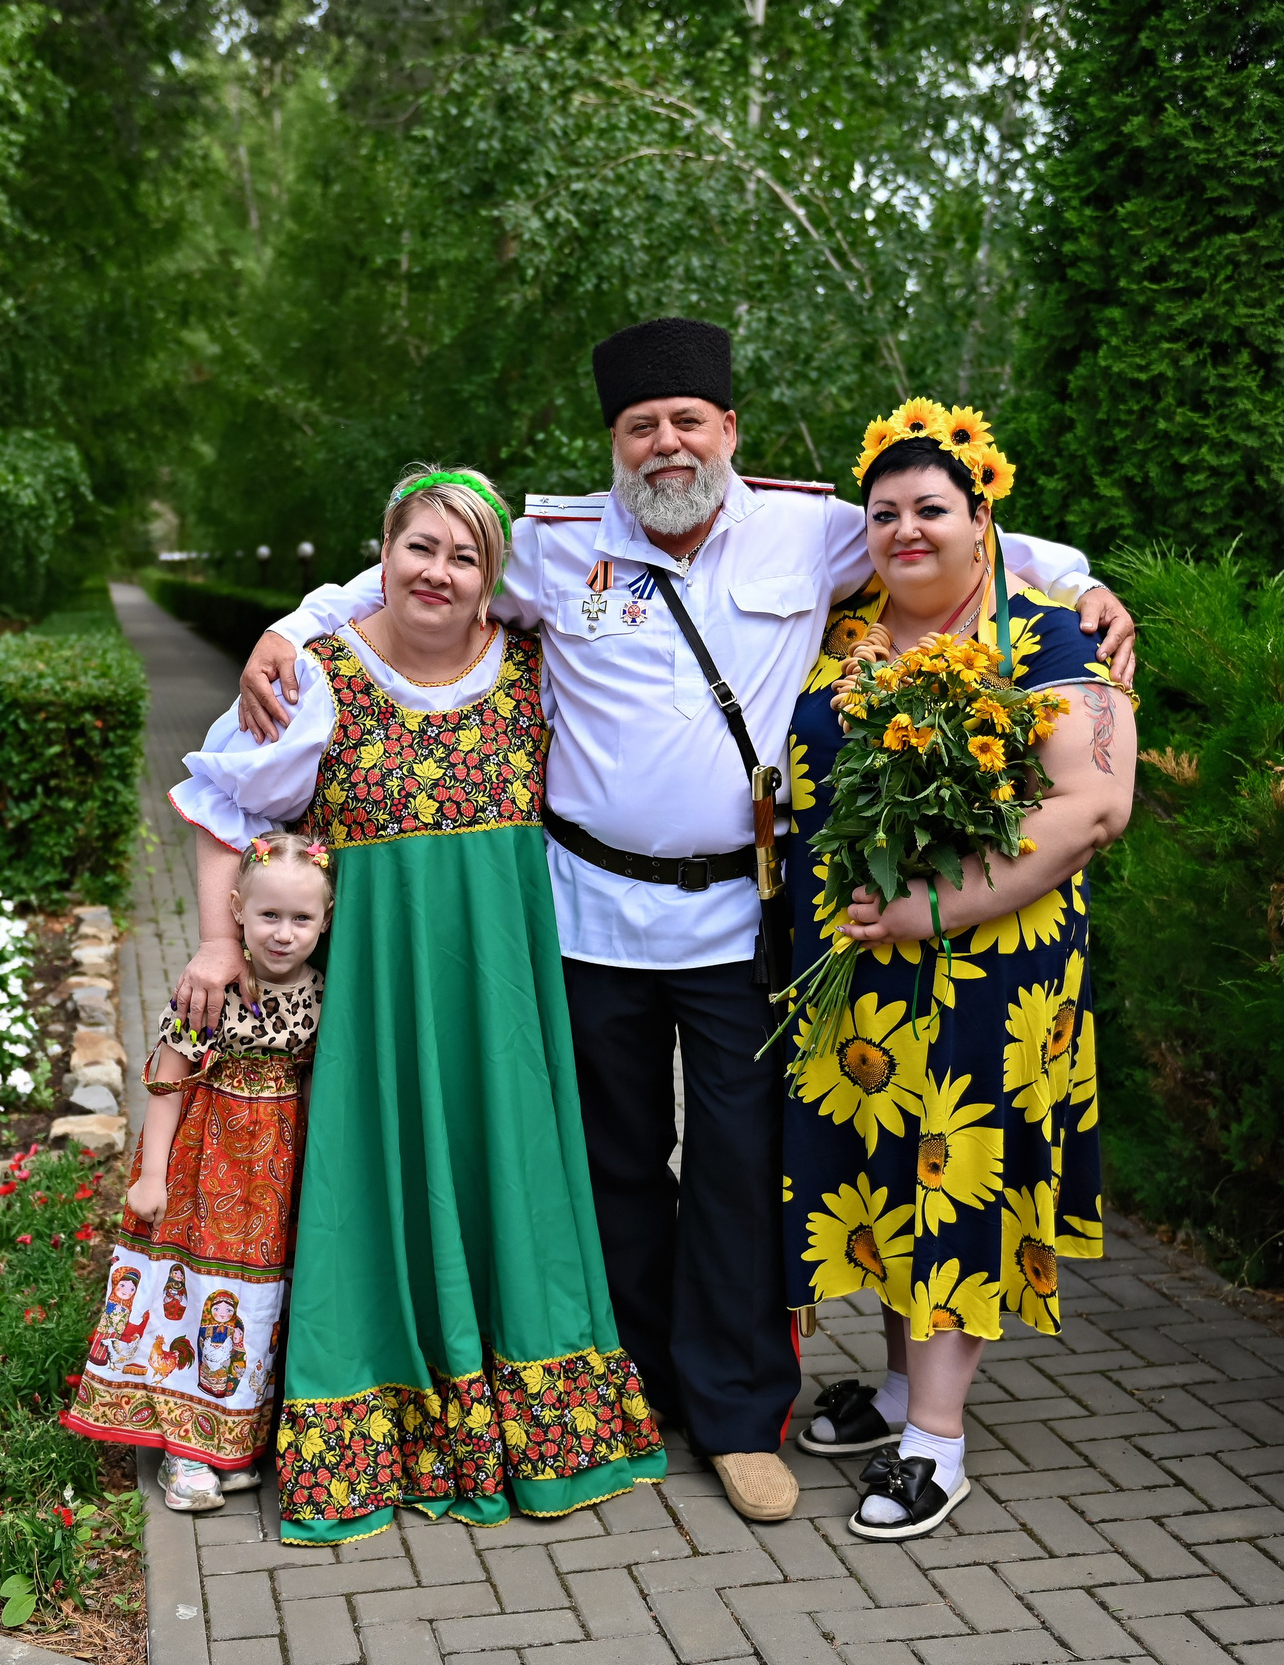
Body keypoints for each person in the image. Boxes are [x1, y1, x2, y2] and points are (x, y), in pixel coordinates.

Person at [227, 318, 1139, 1522]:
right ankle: (634, 1382)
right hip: (586, 912)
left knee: (738, 1167)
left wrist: (1081, 581)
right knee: (608, 1165)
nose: (664, 444)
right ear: (613, 442)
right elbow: (413, 560)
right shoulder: (553, 543)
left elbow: (963, 527)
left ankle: (736, 1412)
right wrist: (290, 627)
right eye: (638, 426)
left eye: (685, 422)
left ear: (729, 433)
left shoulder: (808, 529)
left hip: (740, 914)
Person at [167, 466, 667, 1546]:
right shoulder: (318, 677)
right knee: (370, 1189)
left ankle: (528, 1407)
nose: (438, 572)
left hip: (503, 993)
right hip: (378, 1004)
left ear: (494, 576)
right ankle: (372, 1413)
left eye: (465, 555)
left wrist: (1069, 578)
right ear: (381, 553)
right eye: (419, 548)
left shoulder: (536, 663)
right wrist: (216, 938)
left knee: (513, 1179)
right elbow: (219, 799)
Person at [782, 403, 1135, 1541]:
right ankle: (893, 1391)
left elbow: (1093, 805)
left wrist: (934, 906)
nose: (905, 530)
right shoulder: (839, 635)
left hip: (992, 966)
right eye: (883, 513)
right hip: (859, 964)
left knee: (955, 1176)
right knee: (882, 1169)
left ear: (983, 518)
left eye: (931, 508)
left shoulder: (1050, 636)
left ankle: (938, 1440)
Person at [65, 832, 332, 1512]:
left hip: (276, 1171)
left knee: (257, 1302)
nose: (283, 933)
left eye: (302, 919)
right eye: (268, 915)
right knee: (195, 1291)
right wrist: (151, 1173)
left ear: (326, 919)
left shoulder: (324, 990)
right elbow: (167, 1077)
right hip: (204, 1160)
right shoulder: (212, 990)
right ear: (236, 909)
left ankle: (234, 1440)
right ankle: (184, 1450)